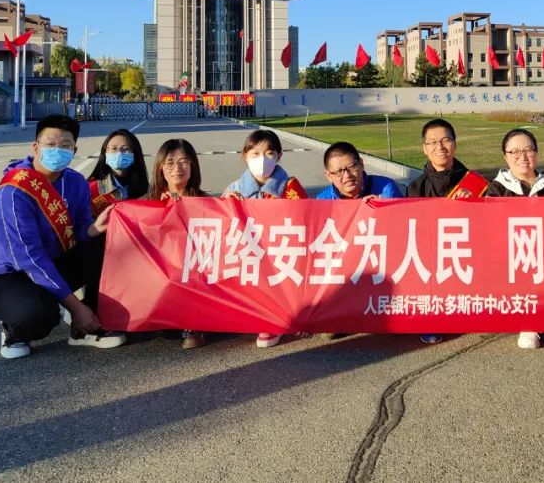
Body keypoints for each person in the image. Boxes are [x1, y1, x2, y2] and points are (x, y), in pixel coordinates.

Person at [0, 114, 125, 359]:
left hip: (51, 263)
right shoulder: (14, 191)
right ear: (35, 147)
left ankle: (86, 328)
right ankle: (13, 328)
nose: (58, 150)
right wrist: (75, 307)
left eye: (65, 145)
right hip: (4, 275)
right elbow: (28, 258)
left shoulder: (75, 182)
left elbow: (79, 229)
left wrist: (95, 228)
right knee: (40, 316)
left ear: (74, 150)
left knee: (105, 242)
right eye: (50, 144)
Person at [222, 129, 309, 348]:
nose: (262, 159)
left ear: (279, 156)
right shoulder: (234, 189)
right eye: (255, 153)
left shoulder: (290, 187)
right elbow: (221, 230)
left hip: (280, 254)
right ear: (245, 156)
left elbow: (305, 224)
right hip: (249, 254)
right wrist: (225, 205)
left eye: (269, 153)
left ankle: (278, 318)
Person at [407, 118, 488, 344]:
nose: (439, 147)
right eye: (432, 142)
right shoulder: (416, 187)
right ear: (424, 149)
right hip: (431, 256)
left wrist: (474, 205)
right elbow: (411, 229)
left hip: (467, 252)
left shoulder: (474, 182)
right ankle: (432, 316)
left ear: (455, 144)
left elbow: (489, 227)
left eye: (445, 140)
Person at [486, 128, 544, 350]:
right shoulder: (496, 190)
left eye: (528, 150)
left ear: (536, 153)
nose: (522, 156)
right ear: (505, 156)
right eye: (514, 152)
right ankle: (530, 323)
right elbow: (492, 231)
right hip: (513, 259)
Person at [148, 138, 211, 349]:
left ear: (193, 166)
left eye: (184, 162)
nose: (177, 168)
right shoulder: (149, 202)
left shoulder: (207, 202)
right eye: (170, 162)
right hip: (160, 273)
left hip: (194, 272)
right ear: (160, 168)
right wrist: (163, 211)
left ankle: (195, 325)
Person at [87, 128, 150, 214]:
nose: (119, 153)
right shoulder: (91, 188)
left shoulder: (146, 190)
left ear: (135, 153)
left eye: (125, 149)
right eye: (114, 148)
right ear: (105, 153)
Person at [316, 141, 404, 200]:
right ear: (328, 175)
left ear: (361, 164)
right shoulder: (323, 201)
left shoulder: (385, 189)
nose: (347, 176)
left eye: (351, 167)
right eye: (339, 171)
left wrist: (383, 208)